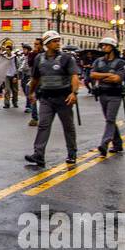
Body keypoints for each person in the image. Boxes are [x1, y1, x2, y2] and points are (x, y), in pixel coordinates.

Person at [25, 31, 80, 166]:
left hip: (63, 98)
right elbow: (35, 78)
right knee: (43, 125)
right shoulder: (39, 58)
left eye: (58, 41)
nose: (58, 43)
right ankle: (38, 154)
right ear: (47, 44)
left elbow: (74, 76)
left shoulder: (66, 58)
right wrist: (31, 93)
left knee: (68, 127)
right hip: (46, 98)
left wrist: (74, 93)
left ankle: (72, 153)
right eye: (55, 41)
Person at [89, 36, 125, 158]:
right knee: (109, 120)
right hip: (102, 93)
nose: (103, 47)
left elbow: (117, 78)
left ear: (112, 47)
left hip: (115, 94)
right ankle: (118, 144)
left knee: (110, 120)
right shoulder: (98, 61)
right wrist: (108, 75)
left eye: (105, 45)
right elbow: (92, 75)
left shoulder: (120, 62)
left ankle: (104, 144)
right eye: (102, 45)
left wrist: (101, 76)